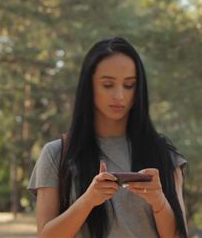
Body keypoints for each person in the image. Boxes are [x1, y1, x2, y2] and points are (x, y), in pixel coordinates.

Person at [28, 37, 188, 238]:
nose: (119, 95)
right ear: (89, 85)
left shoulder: (163, 152)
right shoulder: (57, 154)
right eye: (108, 84)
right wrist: (88, 200)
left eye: (129, 85)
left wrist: (159, 201)